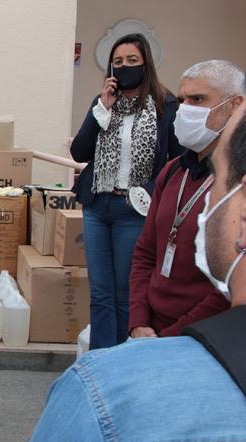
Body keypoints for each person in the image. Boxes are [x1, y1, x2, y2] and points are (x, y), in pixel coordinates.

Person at [0, 31, 246, 442]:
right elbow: (90, 162)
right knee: (106, 296)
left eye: (222, 179)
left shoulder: (104, 407)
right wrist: (138, 331)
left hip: (145, 247)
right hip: (109, 220)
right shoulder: (151, 146)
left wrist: (156, 350)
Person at [71, 33, 184, 349]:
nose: (124, 67)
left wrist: (148, 191)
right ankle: (101, 358)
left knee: (125, 291)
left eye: (131, 60)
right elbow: (79, 153)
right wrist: (102, 109)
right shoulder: (103, 103)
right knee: (100, 291)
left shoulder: (166, 105)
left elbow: (176, 160)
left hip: (134, 209)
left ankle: (120, 357)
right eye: (118, 62)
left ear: (145, 63)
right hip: (97, 204)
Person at [129, 61, 245, 338]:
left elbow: (230, 282)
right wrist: (138, 321)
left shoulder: (243, 183)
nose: (185, 109)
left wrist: (172, 337)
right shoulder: (172, 172)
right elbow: (145, 253)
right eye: (182, 100)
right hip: (151, 329)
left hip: (202, 334)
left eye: (198, 99)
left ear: (234, 105)